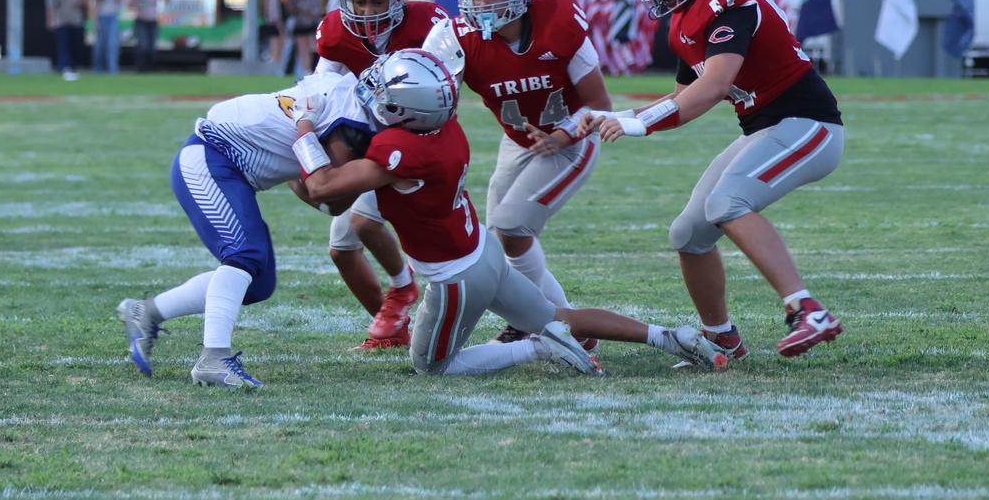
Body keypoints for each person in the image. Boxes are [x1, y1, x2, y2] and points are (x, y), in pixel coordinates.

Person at [296, 50, 730, 376]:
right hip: (483, 252)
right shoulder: (445, 129)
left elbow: (323, 188)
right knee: (559, 318)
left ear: (405, 111)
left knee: (433, 366)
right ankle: (668, 337)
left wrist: (303, 127)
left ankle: (539, 348)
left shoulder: (397, 149)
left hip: (455, 277)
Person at [576, 0, 846, 359]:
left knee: (726, 203)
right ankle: (721, 336)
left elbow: (714, 86)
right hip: (764, 127)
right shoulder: (686, 18)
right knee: (688, 233)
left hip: (808, 124)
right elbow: (681, 99)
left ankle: (807, 310)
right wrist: (618, 115)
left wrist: (640, 124)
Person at [437, 0, 614, 340]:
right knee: (497, 242)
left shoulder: (558, 19)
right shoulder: (457, 37)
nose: (483, 2)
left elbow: (599, 105)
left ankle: (563, 326)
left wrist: (563, 136)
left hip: (573, 137)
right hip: (518, 140)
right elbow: (435, 100)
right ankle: (551, 323)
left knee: (512, 226)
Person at [114, 73, 338, 389]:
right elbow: (324, 191)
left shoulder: (336, 96)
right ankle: (213, 359)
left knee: (257, 284)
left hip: (231, 171)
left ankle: (147, 312)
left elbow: (316, 188)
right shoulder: (344, 106)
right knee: (244, 255)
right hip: (209, 158)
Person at [304, 0, 451, 349]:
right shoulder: (336, 31)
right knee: (341, 249)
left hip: (417, 138)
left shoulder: (429, 24)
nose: (368, 11)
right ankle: (395, 328)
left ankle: (404, 289)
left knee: (365, 224)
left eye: (378, 1)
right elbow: (321, 88)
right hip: (371, 139)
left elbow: (447, 90)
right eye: (360, 1)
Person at [43, 0, 87, 82]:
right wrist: (50, 18)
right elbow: (50, 2)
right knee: (64, 45)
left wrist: (82, 2)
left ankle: (73, 68)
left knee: (75, 46)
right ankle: (64, 68)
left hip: (76, 20)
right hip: (62, 19)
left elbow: (86, 1)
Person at [90, 0, 120, 75]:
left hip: (113, 17)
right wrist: (96, 21)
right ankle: (98, 68)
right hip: (102, 17)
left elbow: (119, 2)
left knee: (112, 45)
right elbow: (96, 6)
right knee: (100, 45)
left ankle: (113, 69)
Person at [130, 0, 162, 72]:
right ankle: (140, 68)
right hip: (141, 22)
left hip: (153, 22)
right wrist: (141, 5)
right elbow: (131, 4)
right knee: (143, 45)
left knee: (152, 47)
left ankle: (150, 68)